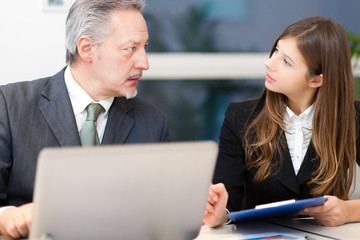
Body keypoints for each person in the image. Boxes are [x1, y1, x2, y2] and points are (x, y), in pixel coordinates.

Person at [0, 0, 169, 238]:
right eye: (131, 49)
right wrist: (6, 218)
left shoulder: (153, 123)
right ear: (87, 49)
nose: (144, 63)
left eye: (145, 47)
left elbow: (161, 217)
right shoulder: (9, 105)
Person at [203, 16, 360, 228]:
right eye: (276, 50)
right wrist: (220, 213)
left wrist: (349, 211)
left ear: (316, 80)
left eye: (286, 61)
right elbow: (227, 203)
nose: (269, 62)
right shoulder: (239, 117)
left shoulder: (353, 117)